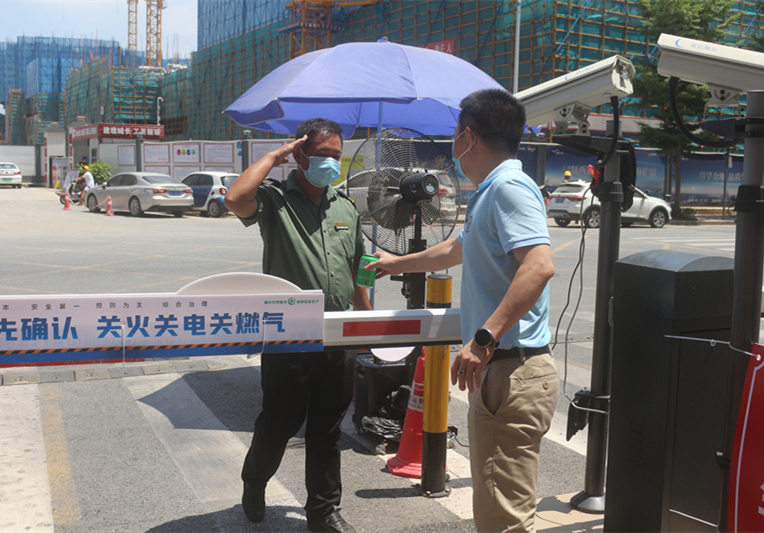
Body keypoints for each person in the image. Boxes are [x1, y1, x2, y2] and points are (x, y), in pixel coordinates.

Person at [370, 89, 560, 533]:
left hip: (511, 368)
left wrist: (483, 338)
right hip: (507, 371)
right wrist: (397, 263)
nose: (453, 145)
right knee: (497, 507)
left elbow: (539, 266)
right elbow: (457, 249)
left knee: (503, 517)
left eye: (455, 135)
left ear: (469, 137)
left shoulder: (508, 188)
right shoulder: (490, 192)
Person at [225, 118, 371, 533]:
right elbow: (234, 199)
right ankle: (255, 482)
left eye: (336, 156)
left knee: (327, 429)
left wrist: (365, 322)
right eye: (323, 154)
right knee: (280, 422)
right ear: (300, 154)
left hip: (338, 334)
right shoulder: (274, 200)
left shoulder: (345, 207)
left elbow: (358, 266)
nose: (331, 163)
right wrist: (274, 156)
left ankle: (323, 512)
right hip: (289, 334)